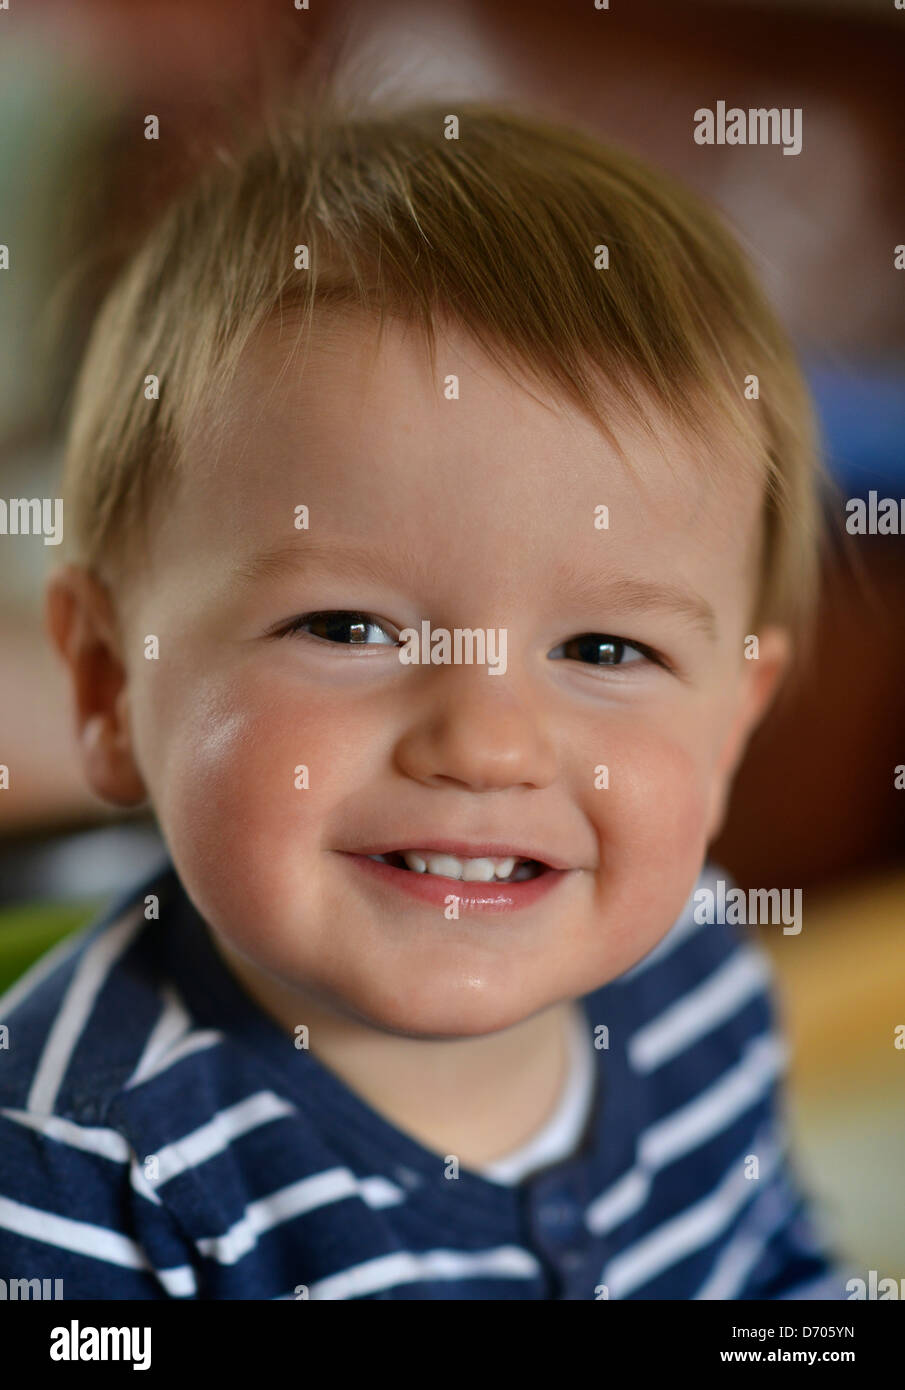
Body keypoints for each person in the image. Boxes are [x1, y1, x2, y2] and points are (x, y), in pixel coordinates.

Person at [0, 100, 846, 1298]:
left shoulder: (692, 977)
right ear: (106, 680)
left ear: (731, 722)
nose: (487, 743)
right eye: (347, 627)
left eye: (605, 648)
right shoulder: (75, 1174)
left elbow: (771, 1268)